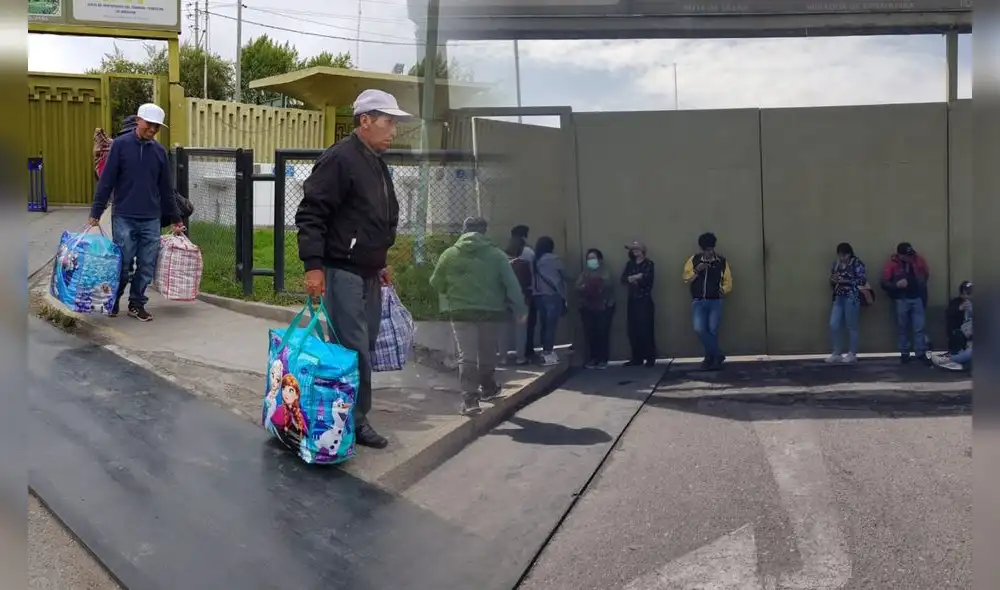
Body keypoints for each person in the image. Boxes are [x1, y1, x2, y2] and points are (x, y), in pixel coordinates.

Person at [294, 88, 412, 449]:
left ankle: (343, 410)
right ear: (365, 121)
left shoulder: (376, 162)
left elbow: (377, 217)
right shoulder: (340, 159)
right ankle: (354, 422)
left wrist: (380, 261)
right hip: (340, 269)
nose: (394, 130)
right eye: (389, 122)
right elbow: (311, 214)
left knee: (367, 342)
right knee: (354, 347)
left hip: (368, 271)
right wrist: (314, 267)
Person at [88, 103, 184, 321]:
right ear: (139, 120)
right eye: (150, 124)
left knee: (147, 265)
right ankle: (113, 300)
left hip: (151, 218)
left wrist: (176, 219)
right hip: (124, 216)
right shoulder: (120, 146)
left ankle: (137, 304)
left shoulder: (159, 152)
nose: (152, 130)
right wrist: (96, 212)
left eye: (157, 127)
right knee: (123, 263)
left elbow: (167, 190)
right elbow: (106, 181)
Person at [430, 217, 528, 416]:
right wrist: (521, 309)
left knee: (466, 356)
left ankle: (470, 400)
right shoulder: (497, 255)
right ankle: (488, 387)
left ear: (464, 230)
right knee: (487, 352)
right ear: (484, 232)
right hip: (490, 311)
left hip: (460, 311)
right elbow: (512, 285)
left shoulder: (449, 255)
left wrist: (452, 291)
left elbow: (435, 282)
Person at [682, 232, 732, 370]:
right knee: (699, 329)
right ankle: (717, 355)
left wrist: (722, 291)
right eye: (706, 249)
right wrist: (697, 271)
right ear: (701, 248)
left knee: (712, 330)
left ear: (713, 247)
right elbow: (686, 279)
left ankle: (709, 358)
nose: (708, 252)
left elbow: (728, 281)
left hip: (715, 301)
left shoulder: (721, 261)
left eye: (710, 249)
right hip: (698, 301)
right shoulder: (694, 260)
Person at [880, 242, 931, 365]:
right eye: (907, 255)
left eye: (910, 254)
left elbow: (926, 274)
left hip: (917, 297)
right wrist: (896, 285)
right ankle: (904, 353)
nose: (910, 257)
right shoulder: (892, 264)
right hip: (901, 299)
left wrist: (921, 286)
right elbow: (884, 282)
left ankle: (920, 353)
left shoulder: (918, 260)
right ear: (900, 255)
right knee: (902, 327)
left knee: (919, 327)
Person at [826, 242, 868, 364]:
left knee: (851, 326)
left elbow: (861, 280)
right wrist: (833, 280)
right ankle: (837, 352)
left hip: (852, 297)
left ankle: (852, 353)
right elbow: (832, 278)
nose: (842, 258)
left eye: (844, 255)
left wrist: (845, 280)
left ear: (849, 254)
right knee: (834, 324)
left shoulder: (857, 264)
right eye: (840, 255)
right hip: (839, 297)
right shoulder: (836, 264)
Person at [576, 248, 615, 369]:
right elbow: (577, 286)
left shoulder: (605, 272)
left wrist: (596, 284)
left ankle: (603, 359)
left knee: (602, 333)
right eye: (589, 258)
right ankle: (593, 358)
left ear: (600, 259)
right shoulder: (585, 272)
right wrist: (583, 287)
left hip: (604, 307)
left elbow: (608, 286)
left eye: (593, 258)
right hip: (588, 307)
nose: (591, 261)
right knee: (590, 333)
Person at [532, 236, 567, 367]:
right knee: (551, 326)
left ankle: (545, 351)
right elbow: (565, 274)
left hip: (538, 296)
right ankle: (548, 353)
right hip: (552, 295)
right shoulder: (555, 259)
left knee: (544, 325)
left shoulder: (535, 260)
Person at [622, 240, 656, 367]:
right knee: (633, 330)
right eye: (633, 249)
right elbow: (623, 279)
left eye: (637, 249)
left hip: (644, 300)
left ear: (643, 250)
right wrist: (633, 277)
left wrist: (637, 278)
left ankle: (650, 357)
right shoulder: (630, 264)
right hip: (632, 300)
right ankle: (637, 358)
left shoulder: (649, 264)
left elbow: (648, 279)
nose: (634, 251)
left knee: (646, 329)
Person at [500, 236, 533, 365]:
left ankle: (503, 357)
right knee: (521, 330)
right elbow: (528, 284)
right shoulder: (523, 265)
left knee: (502, 330)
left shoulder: (500, 262)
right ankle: (520, 357)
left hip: (503, 300)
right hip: (520, 300)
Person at [933, 281, 972, 371]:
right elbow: (948, 314)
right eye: (967, 292)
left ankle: (954, 360)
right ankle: (949, 359)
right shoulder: (956, 302)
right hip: (960, 334)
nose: (969, 295)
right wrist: (959, 309)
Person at [512, 225, 537, 362]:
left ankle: (504, 356)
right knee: (526, 324)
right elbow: (534, 271)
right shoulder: (528, 251)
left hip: (509, 292)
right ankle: (525, 352)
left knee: (506, 327)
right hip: (526, 291)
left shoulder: (505, 252)